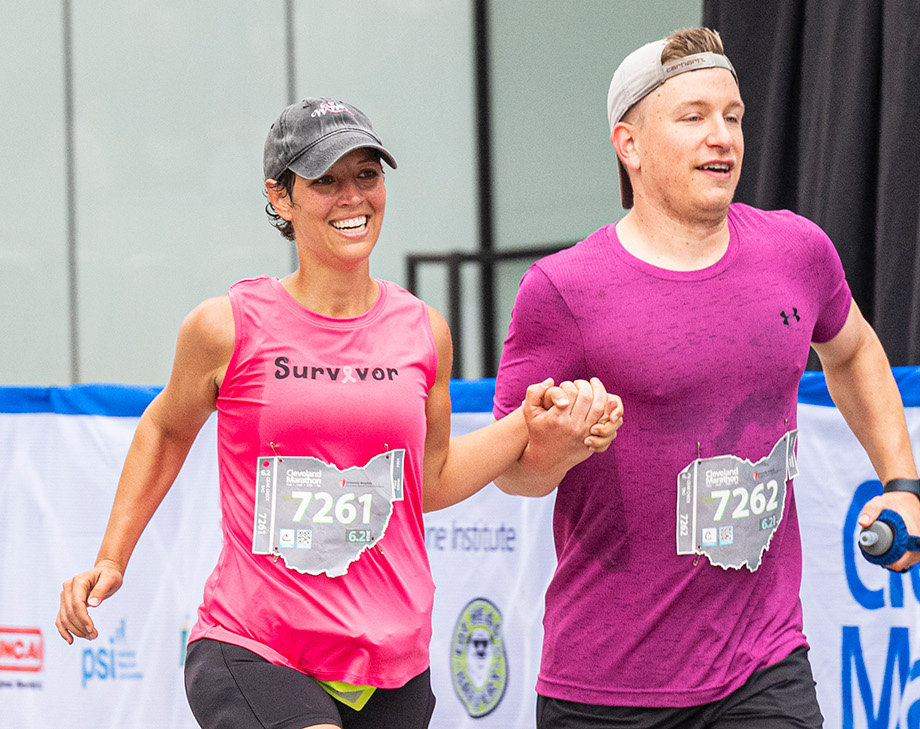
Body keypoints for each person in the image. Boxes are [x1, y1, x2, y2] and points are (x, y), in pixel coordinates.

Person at [55, 97, 622, 729]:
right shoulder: (226, 326)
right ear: (280, 198)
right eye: (325, 180)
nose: (352, 197)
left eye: (366, 175)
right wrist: (111, 558)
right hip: (257, 646)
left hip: (391, 666)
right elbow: (165, 431)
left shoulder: (424, 330)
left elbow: (429, 480)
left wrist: (525, 424)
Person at [492, 28, 920, 728]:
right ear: (629, 144)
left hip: (764, 664)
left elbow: (852, 352)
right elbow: (514, 473)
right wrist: (560, 447)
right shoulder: (564, 289)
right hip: (608, 687)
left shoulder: (797, 250)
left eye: (733, 116)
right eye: (692, 117)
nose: (721, 137)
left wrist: (902, 484)